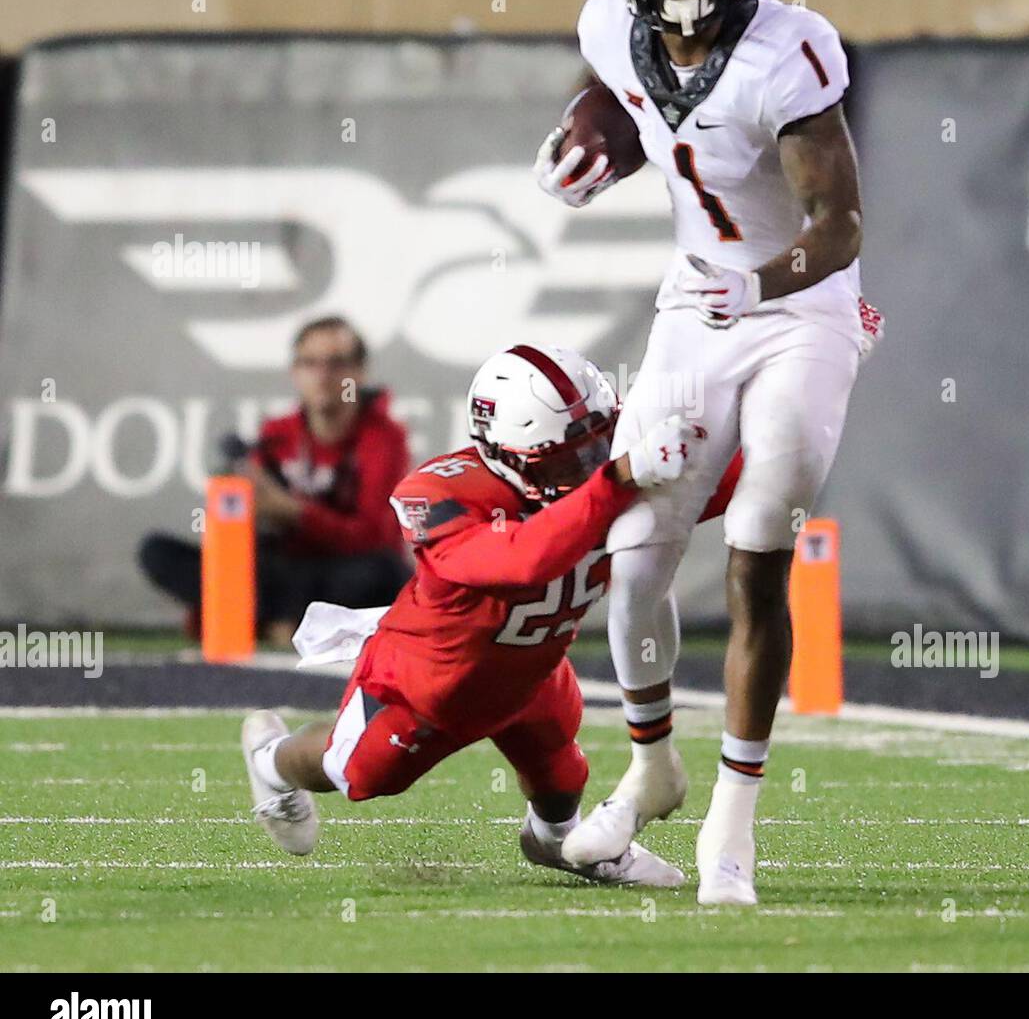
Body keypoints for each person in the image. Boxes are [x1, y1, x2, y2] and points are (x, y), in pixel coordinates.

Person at [533, 0, 882, 906]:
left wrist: (760, 283)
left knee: (759, 535)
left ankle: (733, 823)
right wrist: (590, 144)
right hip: (694, 302)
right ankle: (652, 765)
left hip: (801, 309)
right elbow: (641, 104)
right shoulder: (608, 17)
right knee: (632, 556)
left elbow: (838, 228)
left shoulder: (790, 51)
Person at [241, 342, 736, 887]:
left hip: (533, 666)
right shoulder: (441, 491)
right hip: (427, 684)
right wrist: (619, 478)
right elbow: (521, 559)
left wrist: (797, 391)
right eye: (567, 457)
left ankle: (557, 844)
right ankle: (272, 760)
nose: (589, 464)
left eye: (599, 443)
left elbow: (733, 477)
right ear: (507, 453)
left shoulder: (611, 471)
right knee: (355, 773)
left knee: (561, 770)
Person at [138, 316, 411, 646]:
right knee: (158, 551)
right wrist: (240, 504)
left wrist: (295, 513)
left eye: (337, 364)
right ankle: (284, 621)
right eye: (310, 363)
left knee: (384, 573)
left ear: (359, 373)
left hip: (342, 573)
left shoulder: (384, 438)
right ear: (294, 372)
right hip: (284, 570)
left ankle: (273, 620)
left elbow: (373, 537)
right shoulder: (277, 434)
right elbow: (246, 531)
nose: (323, 376)